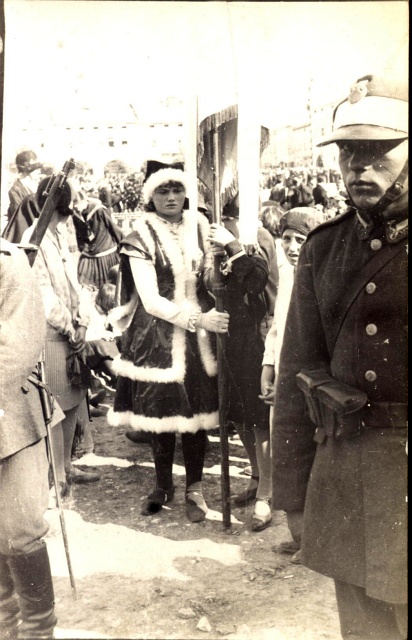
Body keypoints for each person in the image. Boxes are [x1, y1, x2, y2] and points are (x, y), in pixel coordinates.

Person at [271, 73, 408, 639]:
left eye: (379, 151)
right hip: (345, 479)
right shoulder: (324, 247)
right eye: (350, 151)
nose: (359, 167)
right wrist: (292, 495)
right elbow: (296, 373)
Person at [107, 163, 229, 522]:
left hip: (200, 339)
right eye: (163, 191)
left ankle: (195, 487)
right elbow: (150, 300)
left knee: (196, 414)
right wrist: (197, 319)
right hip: (157, 336)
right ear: (151, 196)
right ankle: (162, 484)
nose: (172, 197)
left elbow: (214, 280)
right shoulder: (139, 236)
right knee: (161, 413)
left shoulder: (202, 225)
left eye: (177, 190)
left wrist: (218, 263)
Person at [21, 177, 100, 491]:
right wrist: (70, 327)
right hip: (52, 335)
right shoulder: (34, 237)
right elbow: (43, 294)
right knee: (55, 408)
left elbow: (74, 284)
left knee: (72, 402)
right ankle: (57, 476)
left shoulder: (59, 233)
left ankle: (66, 466)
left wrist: (82, 322)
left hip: (71, 332)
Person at [205, 201, 276, 531]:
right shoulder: (215, 244)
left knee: (260, 417)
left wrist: (232, 246)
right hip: (229, 338)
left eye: (228, 218)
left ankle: (267, 494)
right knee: (238, 415)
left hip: (257, 337)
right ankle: (257, 475)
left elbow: (257, 282)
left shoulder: (258, 237)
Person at [0, 238, 58, 639]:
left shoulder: (8, 261)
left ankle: (38, 631)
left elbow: (17, 349)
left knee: (20, 530)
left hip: (11, 419)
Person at [260, 208, 322, 558]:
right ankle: (300, 537)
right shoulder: (285, 275)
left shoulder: (325, 274)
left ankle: (315, 542)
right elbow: (277, 327)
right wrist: (269, 365)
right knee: (286, 453)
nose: (292, 246)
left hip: (315, 382)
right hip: (286, 376)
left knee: (314, 457)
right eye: (286, 239)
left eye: (301, 239)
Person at [72, 190, 124, 290]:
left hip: (106, 253)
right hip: (89, 255)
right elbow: (79, 235)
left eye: (77, 205)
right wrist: (82, 248)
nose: (76, 209)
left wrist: (122, 244)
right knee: (86, 286)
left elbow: (113, 228)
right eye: (74, 207)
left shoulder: (99, 210)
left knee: (111, 287)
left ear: (84, 201)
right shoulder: (76, 215)